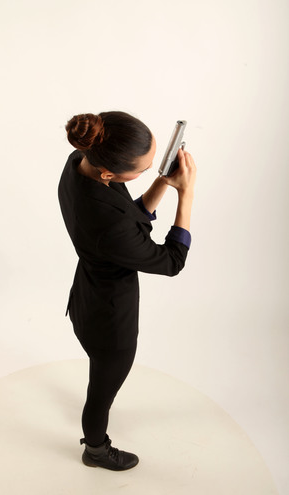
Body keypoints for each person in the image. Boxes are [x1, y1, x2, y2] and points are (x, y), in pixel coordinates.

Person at [58, 111, 196, 471]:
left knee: (100, 377)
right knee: (100, 394)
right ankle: (96, 449)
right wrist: (187, 195)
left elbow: (127, 218)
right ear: (109, 174)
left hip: (86, 294)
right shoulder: (109, 228)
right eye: (143, 170)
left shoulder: (80, 162)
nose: (147, 174)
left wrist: (164, 182)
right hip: (108, 321)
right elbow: (171, 261)